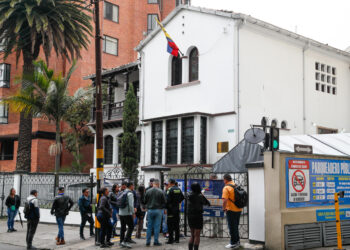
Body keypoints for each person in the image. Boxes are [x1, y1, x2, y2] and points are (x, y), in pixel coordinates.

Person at [187, 182, 210, 250]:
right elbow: (207, 203)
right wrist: (202, 194)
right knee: (197, 235)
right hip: (198, 216)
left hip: (190, 216)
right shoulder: (200, 196)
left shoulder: (189, 195)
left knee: (192, 235)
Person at [222, 174, 243, 249]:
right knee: (235, 226)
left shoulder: (226, 188)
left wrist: (224, 208)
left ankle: (233, 243)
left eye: (223, 179)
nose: (223, 181)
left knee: (231, 227)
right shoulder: (236, 185)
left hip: (231, 210)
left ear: (226, 180)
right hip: (239, 209)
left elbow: (225, 200)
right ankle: (237, 242)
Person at [145, 179, 166, 247]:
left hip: (150, 210)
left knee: (149, 226)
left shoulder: (148, 191)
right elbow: (164, 201)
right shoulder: (161, 191)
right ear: (158, 184)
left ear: (153, 184)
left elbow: (145, 201)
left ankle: (148, 242)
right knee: (157, 227)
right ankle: (156, 241)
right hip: (158, 210)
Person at [166, 178, 184, 244]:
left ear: (170, 182)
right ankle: (177, 239)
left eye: (168, 182)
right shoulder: (178, 189)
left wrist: (167, 207)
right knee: (176, 225)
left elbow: (167, 201)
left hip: (171, 210)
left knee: (170, 225)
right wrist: (178, 202)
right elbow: (182, 197)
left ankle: (170, 240)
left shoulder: (169, 190)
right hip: (177, 209)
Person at [119, 182, 136, 248]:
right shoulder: (130, 193)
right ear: (131, 186)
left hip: (121, 213)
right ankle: (125, 241)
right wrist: (133, 213)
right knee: (131, 226)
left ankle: (121, 241)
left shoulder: (122, 192)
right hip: (127, 213)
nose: (133, 187)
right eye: (133, 186)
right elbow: (131, 205)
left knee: (123, 227)